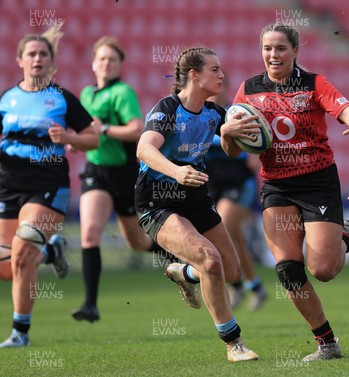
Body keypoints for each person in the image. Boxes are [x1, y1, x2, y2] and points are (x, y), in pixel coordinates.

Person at [225, 23, 349, 362]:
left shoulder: (314, 83)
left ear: (295, 51)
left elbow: (344, 110)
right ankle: (327, 343)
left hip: (317, 181)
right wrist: (227, 131)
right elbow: (234, 149)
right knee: (288, 270)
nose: (273, 54)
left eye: (280, 48)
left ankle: (346, 238)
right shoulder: (248, 90)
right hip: (276, 184)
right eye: (267, 48)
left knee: (322, 270)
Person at [134, 47, 259, 362]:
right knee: (211, 261)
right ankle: (234, 344)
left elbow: (231, 152)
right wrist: (176, 170)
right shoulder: (167, 109)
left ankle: (184, 273)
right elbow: (144, 149)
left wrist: (230, 133)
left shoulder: (216, 113)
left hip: (195, 198)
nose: (222, 75)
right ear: (194, 75)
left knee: (231, 271)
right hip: (157, 199)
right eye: (215, 69)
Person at [0, 26, 99, 348]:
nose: (37, 58)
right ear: (19, 60)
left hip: (47, 186)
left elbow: (93, 138)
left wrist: (69, 138)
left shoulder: (61, 98)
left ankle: (20, 333)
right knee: (9, 267)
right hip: (8, 185)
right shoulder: (7, 98)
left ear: (51, 62)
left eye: (43, 54)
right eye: (31, 53)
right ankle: (52, 250)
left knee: (22, 254)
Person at [71, 36, 160, 323]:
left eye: (112, 59)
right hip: (96, 173)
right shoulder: (86, 94)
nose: (106, 63)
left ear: (120, 64)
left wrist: (104, 128)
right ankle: (90, 305)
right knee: (90, 232)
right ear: (93, 63)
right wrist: (74, 141)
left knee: (138, 243)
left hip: (124, 175)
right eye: (102, 58)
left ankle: (181, 257)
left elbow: (137, 130)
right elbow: (87, 135)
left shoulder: (123, 92)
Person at [205, 87, 267, 311]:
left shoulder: (234, 115)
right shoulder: (197, 118)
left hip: (238, 182)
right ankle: (255, 286)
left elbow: (258, 141)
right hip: (212, 185)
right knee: (233, 238)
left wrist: (256, 157)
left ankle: (236, 284)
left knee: (222, 226)